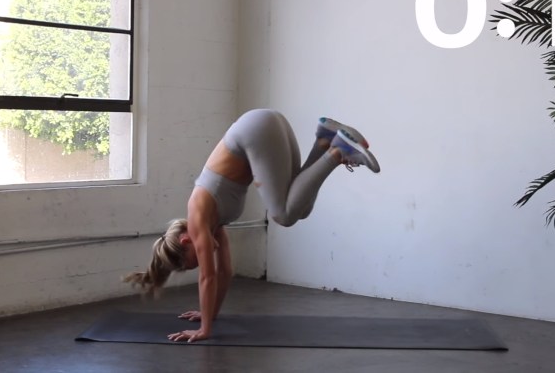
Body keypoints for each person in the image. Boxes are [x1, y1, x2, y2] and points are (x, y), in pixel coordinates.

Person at [123, 108, 380, 343]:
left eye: (195, 258)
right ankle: (324, 140)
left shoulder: (198, 218)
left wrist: (204, 330)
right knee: (301, 209)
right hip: (264, 125)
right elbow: (225, 272)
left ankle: (337, 152)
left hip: (256, 131)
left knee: (283, 215)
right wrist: (208, 315)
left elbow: (208, 277)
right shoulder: (214, 223)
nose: (203, 258)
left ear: (185, 240)